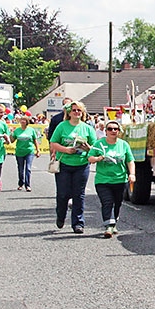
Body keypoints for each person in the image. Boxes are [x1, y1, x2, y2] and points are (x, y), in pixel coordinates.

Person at [49, 100, 96, 234]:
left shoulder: (87, 128)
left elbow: (95, 148)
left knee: (78, 195)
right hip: (64, 164)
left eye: (79, 110)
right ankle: (61, 215)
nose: (76, 112)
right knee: (63, 194)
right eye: (74, 110)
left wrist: (88, 148)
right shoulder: (62, 126)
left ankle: (78, 223)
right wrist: (65, 149)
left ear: (82, 113)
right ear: (69, 112)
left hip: (81, 165)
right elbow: (53, 143)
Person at [88, 120, 136, 238]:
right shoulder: (99, 144)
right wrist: (98, 158)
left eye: (115, 129)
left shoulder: (124, 144)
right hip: (103, 180)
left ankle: (113, 223)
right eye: (110, 129)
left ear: (119, 131)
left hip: (120, 179)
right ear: (106, 131)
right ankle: (109, 226)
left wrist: (132, 174)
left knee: (118, 203)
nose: (113, 131)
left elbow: (130, 160)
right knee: (107, 202)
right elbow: (90, 158)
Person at [10, 116, 40, 192]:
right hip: (19, 152)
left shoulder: (31, 130)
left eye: (24, 120)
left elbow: (35, 140)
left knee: (28, 168)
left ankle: (27, 185)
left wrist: (38, 150)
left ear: (27, 122)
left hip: (29, 151)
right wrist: (11, 133)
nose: (23, 121)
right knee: (20, 169)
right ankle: (20, 183)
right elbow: (12, 140)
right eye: (21, 120)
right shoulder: (17, 131)